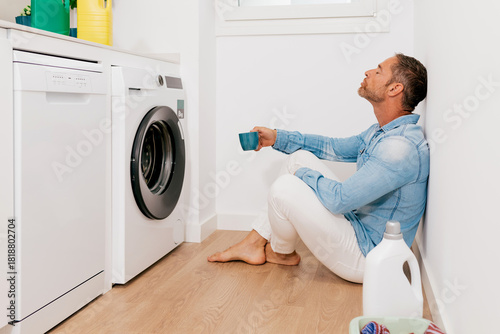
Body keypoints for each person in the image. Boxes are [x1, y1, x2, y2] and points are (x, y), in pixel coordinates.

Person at [208, 53, 429, 283]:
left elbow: (340, 200)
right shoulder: (383, 132)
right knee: (299, 157)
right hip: (360, 229)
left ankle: (268, 248)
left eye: (378, 70)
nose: (368, 72)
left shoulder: (398, 149)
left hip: (369, 258)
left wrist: (301, 176)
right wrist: (277, 137)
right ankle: (268, 249)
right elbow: (334, 147)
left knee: (285, 186)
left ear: (394, 89)